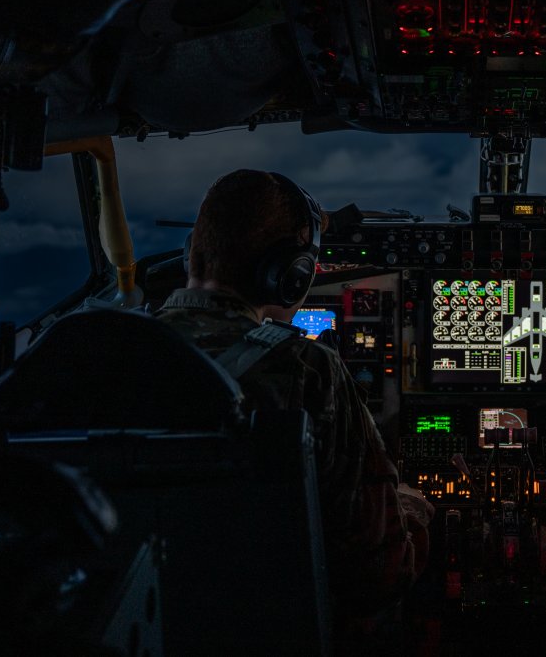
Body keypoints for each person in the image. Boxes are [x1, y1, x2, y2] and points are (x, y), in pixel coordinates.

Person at [157, 169, 433, 617]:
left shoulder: (96, 350)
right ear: (292, 273)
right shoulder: (307, 369)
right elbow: (383, 573)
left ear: (193, 252)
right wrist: (414, 508)